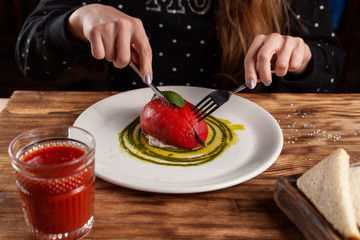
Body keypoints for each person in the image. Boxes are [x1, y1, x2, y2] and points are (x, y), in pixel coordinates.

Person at [15, 0, 344, 93]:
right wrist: (77, 20)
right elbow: (31, 61)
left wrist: (302, 58)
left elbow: (330, 69)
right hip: (127, 135)